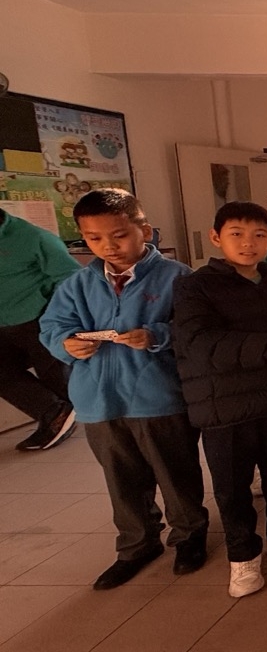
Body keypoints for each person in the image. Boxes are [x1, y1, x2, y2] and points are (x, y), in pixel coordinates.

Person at [38, 189, 209, 589]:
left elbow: (194, 328)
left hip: (158, 397)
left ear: (144, 231)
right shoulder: (78, 284)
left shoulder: (176, 277)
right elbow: (52, 326)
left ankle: (189, 536)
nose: (108, 246)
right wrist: (66, 343)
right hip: (99, 400)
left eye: (119, 235)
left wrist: (155, 335)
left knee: (176, 472)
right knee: (121, 478)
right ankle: (137, 544)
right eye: (94, 238)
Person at [172, 201, 267, 598]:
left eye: (259, 235)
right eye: (236, 234)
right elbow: (201, 344)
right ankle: (243, 557)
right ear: (216, 238)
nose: (248, 243)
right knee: (232, 487)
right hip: (223, 406)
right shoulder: (195, 286)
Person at [0, 208, 79, 451]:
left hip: (38, 319)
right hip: (3, 324)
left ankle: (61, 418)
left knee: (56, 378)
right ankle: (54, 412)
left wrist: (56, 315)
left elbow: (70, 276)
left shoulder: (34, 237)